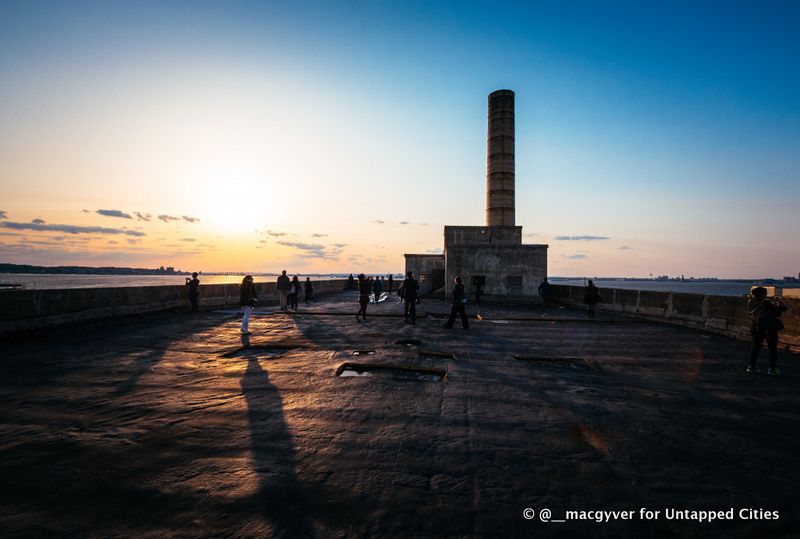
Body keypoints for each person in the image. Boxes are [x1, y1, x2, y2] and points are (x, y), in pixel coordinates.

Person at [747, 287, 787, 375]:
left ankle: (752, 366)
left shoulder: (751, 302)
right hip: (769, 328)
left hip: (756, 327)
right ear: (762, 294)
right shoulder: (766, 302)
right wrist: (779, 304)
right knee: (772, 349)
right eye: (765, 293)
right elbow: (778, 312)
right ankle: (772, 369)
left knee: (756, 347)